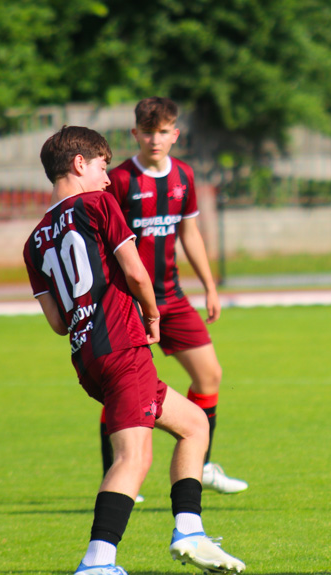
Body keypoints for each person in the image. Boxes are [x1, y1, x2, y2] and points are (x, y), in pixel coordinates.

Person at [24, 126, 245, 575]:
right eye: (103, 167)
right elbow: (138, 273)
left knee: (194, 424)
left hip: (87, 357)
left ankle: (190, 533)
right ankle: (97, 562)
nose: (109, 179)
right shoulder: (101, 204)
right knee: (134, 457)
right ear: (79, 164)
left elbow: (56, 322)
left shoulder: (34, 241)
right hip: (124, 345)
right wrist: (151, 314)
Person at [100, 96, 247, 495]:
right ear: (135, 134)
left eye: (163, 131)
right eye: (147, 132)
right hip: (127, 302)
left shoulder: (183, 175)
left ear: (175, 134)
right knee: (122, 386)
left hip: (173, 297)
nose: (154, 139)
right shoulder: (119, 180)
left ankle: (202, 463)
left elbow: (189, 234)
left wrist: (210, 286)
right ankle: (114, 472)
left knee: (209, 374)